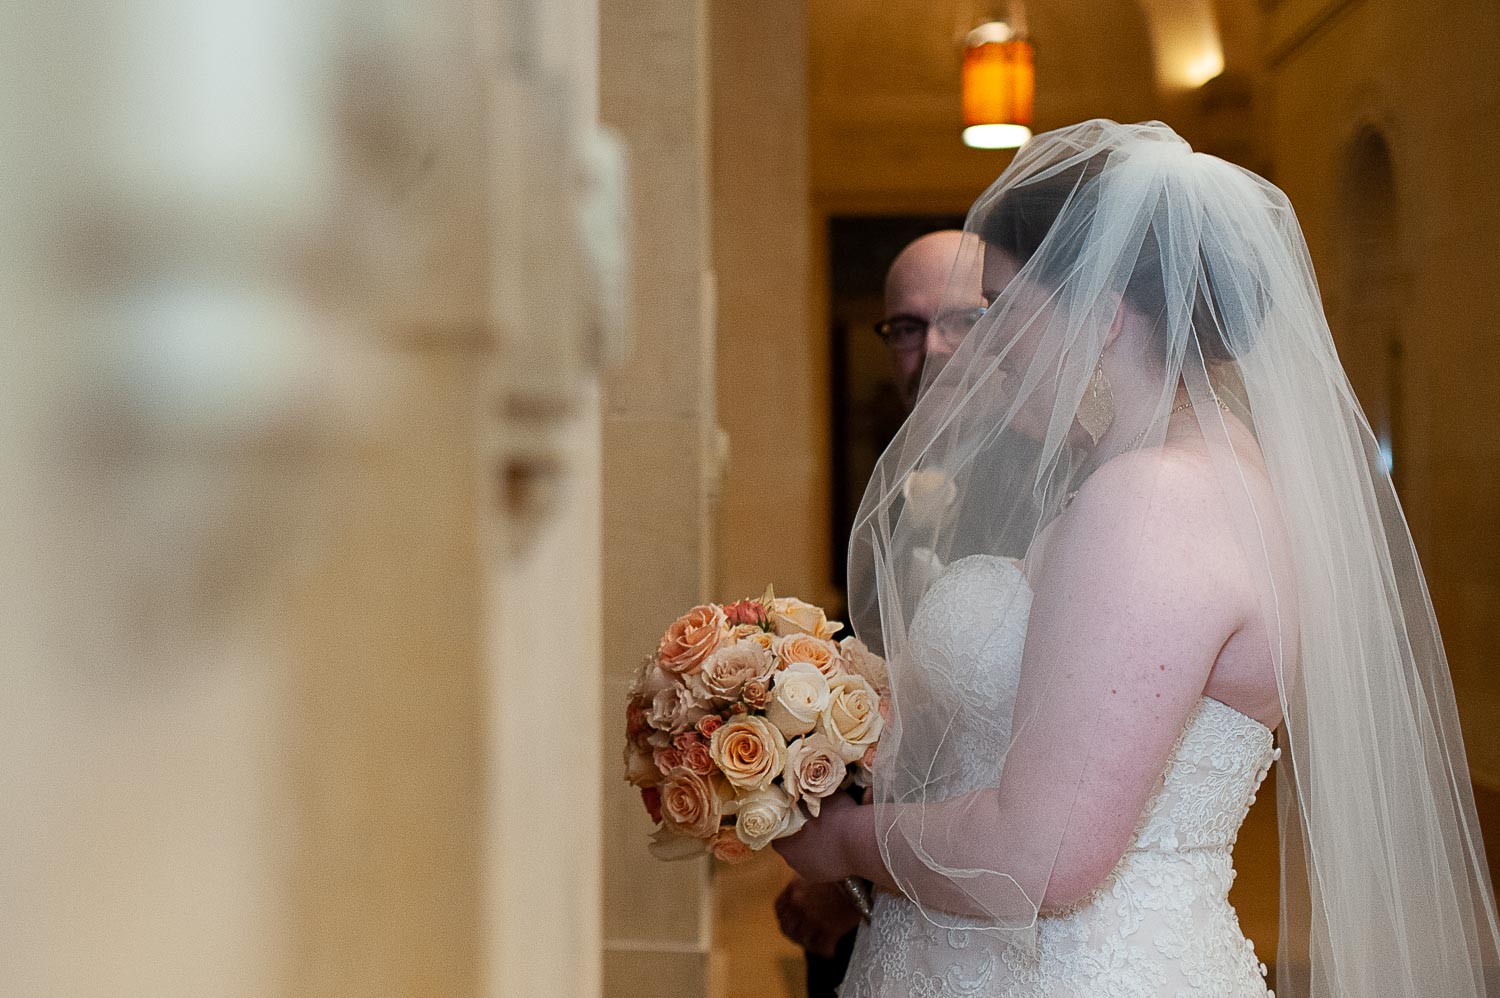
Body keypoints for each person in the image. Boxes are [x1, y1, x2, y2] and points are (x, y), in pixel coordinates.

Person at [775, 119, 1500, 996]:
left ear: (1101, 315)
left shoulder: (1156, 498)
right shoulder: (1184, 476)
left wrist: (843, 842)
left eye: (1006, 308)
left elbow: (1046, 853)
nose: (993, 350)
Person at [774, 229, 970, 996]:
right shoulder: (898, 484)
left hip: (963, 897)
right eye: (908, 328)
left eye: (963, 321)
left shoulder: (1058, 496)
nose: (935, 350)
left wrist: (850, 885)